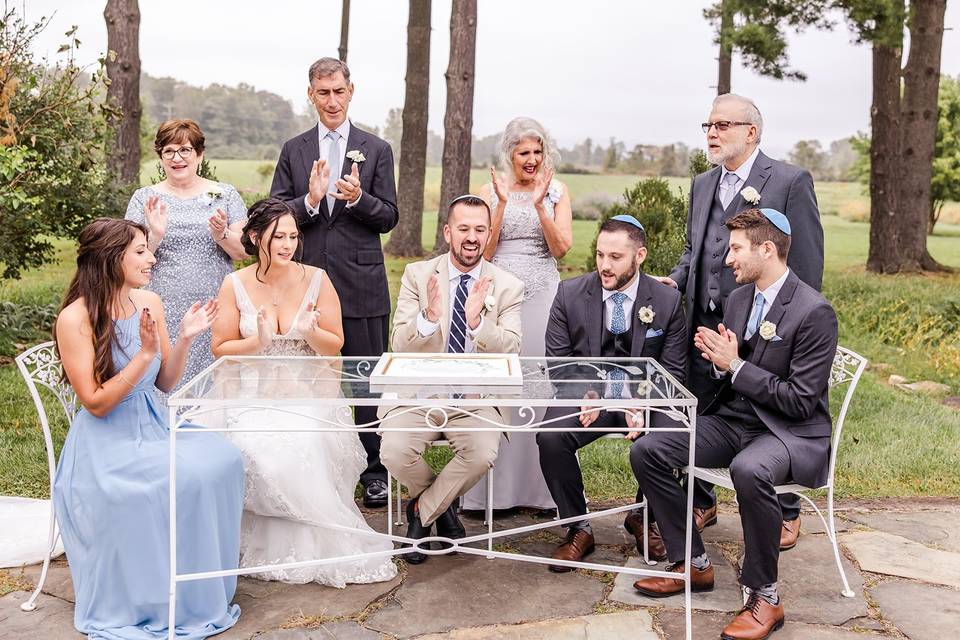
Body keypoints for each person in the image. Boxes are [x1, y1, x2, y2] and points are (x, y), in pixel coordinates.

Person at [633, 209, 838, 640]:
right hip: (736, 422)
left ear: (767, 250)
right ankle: (692, 562)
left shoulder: (814, 311)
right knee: (649, 449)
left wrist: (737, 365)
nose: (728, 259)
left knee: (749, 468)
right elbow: (734, 372)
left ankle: (766, 596)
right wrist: (719, 362)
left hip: (787, 433)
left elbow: (800, 402)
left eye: (737, 249)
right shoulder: (740, 298)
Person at [52, 218, 245, 639]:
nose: (152, 257)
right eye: (140, 251)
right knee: (185, 476)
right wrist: (144, 354)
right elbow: (97, 404)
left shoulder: (149, 301)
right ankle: (153, 594)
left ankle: (196, 587)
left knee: (225, 460)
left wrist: (186, 337)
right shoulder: (75, 318)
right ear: (109, 258)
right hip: (107, 441)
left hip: (152, 421)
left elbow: (165, 383)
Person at [659, 94, 824, 547]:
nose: (712, 133)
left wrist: (788, 323)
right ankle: (701, 499)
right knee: (703, 409)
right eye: (708, 125)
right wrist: (674, 283)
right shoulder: (702, 183)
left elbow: (806, 262)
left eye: (723, 125)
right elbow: (694, 252)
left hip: (770, 326)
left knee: (770, 411)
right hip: (706, 322)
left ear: (751, 132)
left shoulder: (789, 181)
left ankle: (785, 508)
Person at [210, 198, 398, 587]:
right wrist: (256, 342)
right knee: (248, 445)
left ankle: (311, 543)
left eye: (293, 236)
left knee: (301, 444)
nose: (288, 244)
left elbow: (336, 345)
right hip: (252, 396)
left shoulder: (317, 279)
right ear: (255, 236)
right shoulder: (234, 284)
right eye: (278, 236)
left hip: (306, 395)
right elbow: (221, 347)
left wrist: (311, 331)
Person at [271, 57, 399, 509]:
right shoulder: (294, 149)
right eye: (322, 92)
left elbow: (389, 217)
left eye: (338, 91)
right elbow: (274, 213)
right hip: (304, 283)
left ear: (351, 91)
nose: (331, 100)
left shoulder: (376, 149)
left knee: (366, 380)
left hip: (362, 284)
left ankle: (376, 468)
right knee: (306, 378)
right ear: (311, 94)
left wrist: (358, 199)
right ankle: (314, 467)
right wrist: (308, 200)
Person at [379, 195, 524, 564]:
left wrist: (478, 323)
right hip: (419, 396)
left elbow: (513, 348)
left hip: (474, 399)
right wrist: (428, 317)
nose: (471, 237)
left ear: (489, 234)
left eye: (479, 229)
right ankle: (443, 510)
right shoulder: (417, 275)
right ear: (448, 232)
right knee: (393, 452)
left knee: (481, 453)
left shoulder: (507, 285)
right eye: (463, 229)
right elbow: (398, 344)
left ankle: (420, 512)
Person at [537, 215, 687, 571]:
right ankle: (577, 527)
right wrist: (588, 392)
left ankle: (643, 516)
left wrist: (643, 401)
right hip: (591, 398)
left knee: (672, 433)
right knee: (550, 435)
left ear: (640, 256)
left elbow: (674, 372)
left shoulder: (666, 301)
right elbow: (557, 363)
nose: (604, 265)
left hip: (643, 399)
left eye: (616, 257)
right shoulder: (570, 294)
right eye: (600, 254)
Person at [462, 116, 572, 512]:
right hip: (500, 296)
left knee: (540, 378)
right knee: (501, 378)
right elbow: (483, 254)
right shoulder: (488, 191)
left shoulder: (558, 190)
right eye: (524, 152)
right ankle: (495, 489)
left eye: (537, 151)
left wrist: (541, 205)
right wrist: (502, 204)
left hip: (544, 293)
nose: (531, 159)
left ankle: (542, 489)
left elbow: (561, 249)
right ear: (509, 153)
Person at [125, 119, 248, 390]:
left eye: (185, 150)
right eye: (168, 151)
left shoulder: (224, 194)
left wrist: (221, 235)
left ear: (200, 154)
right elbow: (128, 260)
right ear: (160, 156)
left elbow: (242, 252)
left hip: (215, 305)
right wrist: (154, 235)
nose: (177, 158)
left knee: (216, 381)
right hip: (162, 305)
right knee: (166, 376)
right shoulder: (143, 198)